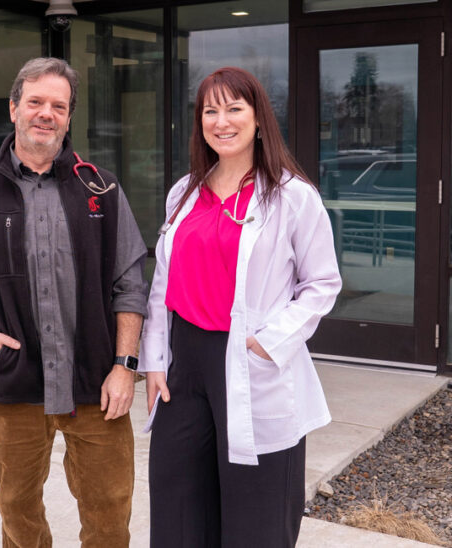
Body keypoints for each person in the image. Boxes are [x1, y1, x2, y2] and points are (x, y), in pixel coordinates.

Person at [0, 57, 148, 547]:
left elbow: (129, 283)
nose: (46, 113)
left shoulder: (102, 188)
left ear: (69, 117)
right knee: (18, 509)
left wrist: (125, 365)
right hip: (13, 381)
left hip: (97, 384)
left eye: (59, 105)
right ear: (14, 109)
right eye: (35, 102)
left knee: (110, 509)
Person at [139, 66, 342, 548]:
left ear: (257, 119)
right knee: (178, 506)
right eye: (211, 110)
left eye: (234, 109)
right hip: (184, 366)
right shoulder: (184, 192)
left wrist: (268, 344)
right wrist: (154, 361)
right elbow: (162, 282)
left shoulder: (292, 196)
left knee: (257, 514)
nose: (221, 121)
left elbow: (322, 283)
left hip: (252, 361)